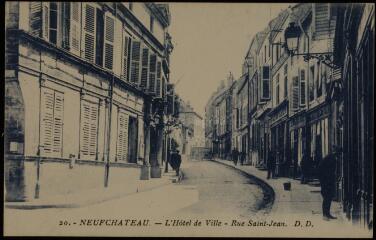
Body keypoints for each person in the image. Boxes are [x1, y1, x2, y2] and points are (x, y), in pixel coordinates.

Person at [317, 151, 337, 221]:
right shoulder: (329, 158)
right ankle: (324, 215)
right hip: (325, 181)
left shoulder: (331, 157)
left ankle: (328, 213)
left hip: (329, 181)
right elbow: (320, 168)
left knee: (329, 197)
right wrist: (323, 180)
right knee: (326, 197)